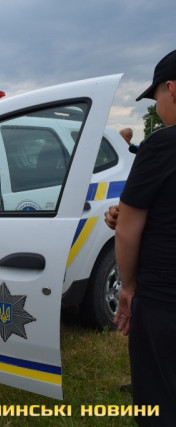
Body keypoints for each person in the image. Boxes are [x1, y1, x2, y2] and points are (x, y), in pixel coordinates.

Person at [111, 49, 176, 426]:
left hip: (165, 301)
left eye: (156, 99)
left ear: (172, 88)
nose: (158, 108)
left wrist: (129, 287)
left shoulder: (163, 144)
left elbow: (128, 230)